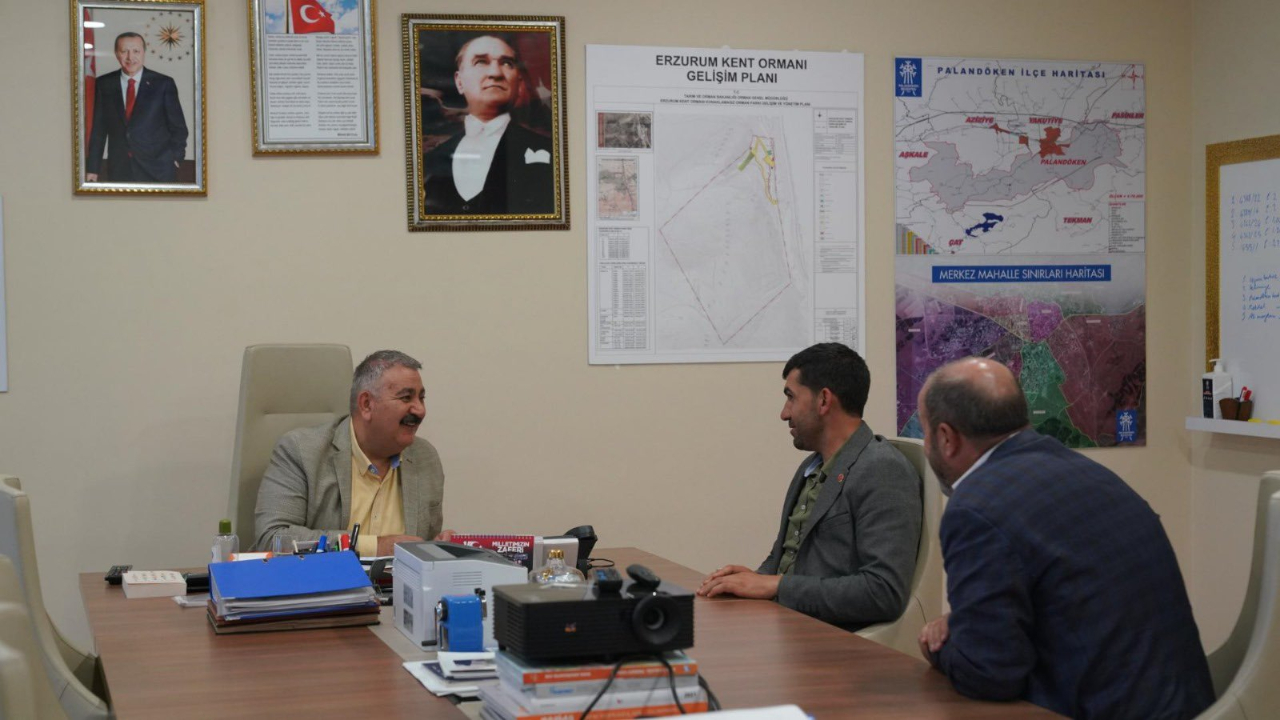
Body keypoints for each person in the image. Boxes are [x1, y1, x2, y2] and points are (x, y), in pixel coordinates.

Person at [915, 357, 1214, 719]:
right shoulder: (1085, 472)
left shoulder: (975, 510)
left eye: (925, 433)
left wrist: (937, 646)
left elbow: (989, 673)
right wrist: (968, 625)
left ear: (946, 438)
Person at [697, 343, 922, 631]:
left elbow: (883, 592)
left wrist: (775, 585)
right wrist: (753, 579)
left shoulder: (882, 470)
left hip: (833, 643)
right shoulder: (812, 467)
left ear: (824, 400)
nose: (784, 413)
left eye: (791, 397)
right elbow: (786, 559)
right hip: (788, 628)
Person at [254, 350, 449, 556]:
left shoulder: (425, 458)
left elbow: (420, 547)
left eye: (421, 398)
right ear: (366, 404)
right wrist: (375, 547)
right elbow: (272, 538)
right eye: (406, 398)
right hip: (324, 577)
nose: (420, 410)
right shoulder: (301, 451)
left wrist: (437, 547)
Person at [420, 34, 555, 215]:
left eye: (507, 63)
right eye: (481, 62)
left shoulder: (549, 151)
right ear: (459, 82)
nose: (496, 73)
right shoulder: (431, 160)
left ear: (519, 83)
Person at [85, 32, 188, 183]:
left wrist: (175, 158)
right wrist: (93, 169)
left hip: (159, 170)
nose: (130, 57)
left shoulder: (163, 84)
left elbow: (178, 127)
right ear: (116, 54)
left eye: (136, 51)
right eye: (124, 51)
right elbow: (98, 131)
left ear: (144, 52)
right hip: (119, 169)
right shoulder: (104, 84)